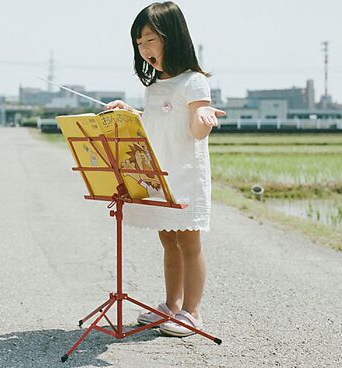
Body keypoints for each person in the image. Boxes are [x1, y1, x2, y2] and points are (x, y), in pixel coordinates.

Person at [103, 1, 225, 337]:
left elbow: (196, 129)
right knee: (168, 242)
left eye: (149, 40)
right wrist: (130, 112)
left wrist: (204, 119)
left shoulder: (194, 82)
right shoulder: (153, 87)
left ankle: (192, 312)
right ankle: (171, 306)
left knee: (189, 243)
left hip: (184, 174)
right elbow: (156, 125)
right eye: (139, 43)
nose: (143, 49)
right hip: (159, 173)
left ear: (171, 37)